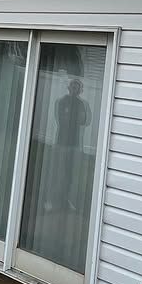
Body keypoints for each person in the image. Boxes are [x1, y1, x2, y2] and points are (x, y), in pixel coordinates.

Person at [55, 78, 91, 211]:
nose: (75, 90)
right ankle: (55, 199)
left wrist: (76, 117)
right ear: (69, 88)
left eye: (78, 87)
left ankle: (66, 199)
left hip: (74, 143)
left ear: (80, 90)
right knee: (59, 170)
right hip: (62, 142)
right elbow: (61, 119)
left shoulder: (81, 104)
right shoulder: (61, 102)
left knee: (70, 172)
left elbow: (84, 120)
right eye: (73, 87)